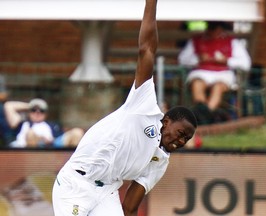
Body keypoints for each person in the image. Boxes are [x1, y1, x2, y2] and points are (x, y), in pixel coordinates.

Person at [52, 0, 198, 215]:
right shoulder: (145, 107)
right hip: (77, 184)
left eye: (186, 139)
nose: (181, 140)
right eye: (181, 133)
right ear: (166, 121)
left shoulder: (160, 161)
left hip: (107, 191)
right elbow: (146, 49)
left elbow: (130, 206)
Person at [178, 21, 251, 124]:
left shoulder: (232, 42)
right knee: (197, 84)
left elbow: (245, 63)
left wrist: (226, 60)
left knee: (218, 87)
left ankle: (204, 115)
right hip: (201, 71)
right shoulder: (196, 40)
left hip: (223, 73)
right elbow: (182, 59)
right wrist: (198, 59)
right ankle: (204, 112)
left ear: (221, 29)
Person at [3, 98, 84, 148]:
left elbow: (60, 140)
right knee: (31, 134)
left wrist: (49, 141)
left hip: (52, 149)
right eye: (34, 110)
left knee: (77, 132)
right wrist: (31, 105)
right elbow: (8, 105)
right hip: (27, 152)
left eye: (41, 110)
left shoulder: (52, 125)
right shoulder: (22, 124)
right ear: (29, 112)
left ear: (46, 113)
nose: (37, 112)